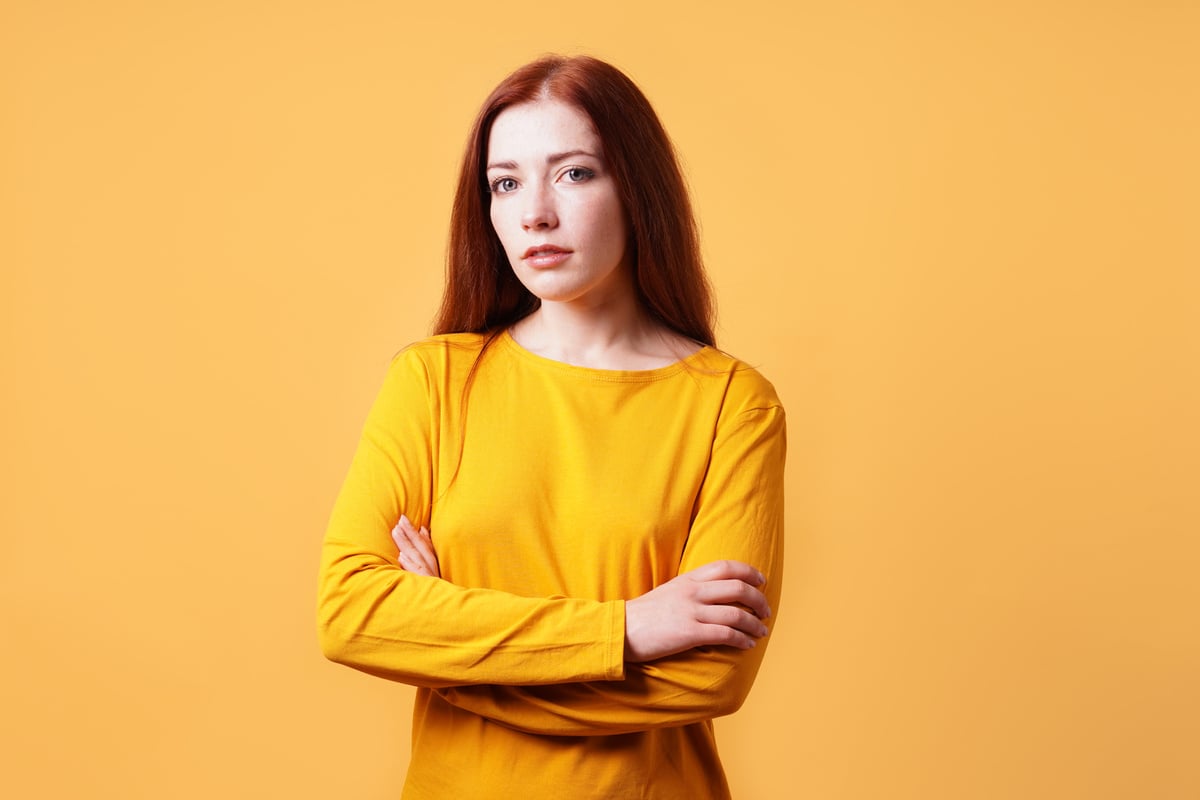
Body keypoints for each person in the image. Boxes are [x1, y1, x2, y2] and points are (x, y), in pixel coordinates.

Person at [317, 54, 786, 799]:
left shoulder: (733, 404)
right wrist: (627, 631)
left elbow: (709, 678)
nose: (534, 211)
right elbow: (350, 611)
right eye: (505, 183)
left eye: (573, 173)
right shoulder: (434, 381)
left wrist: (450, 659)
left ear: (638, 189)